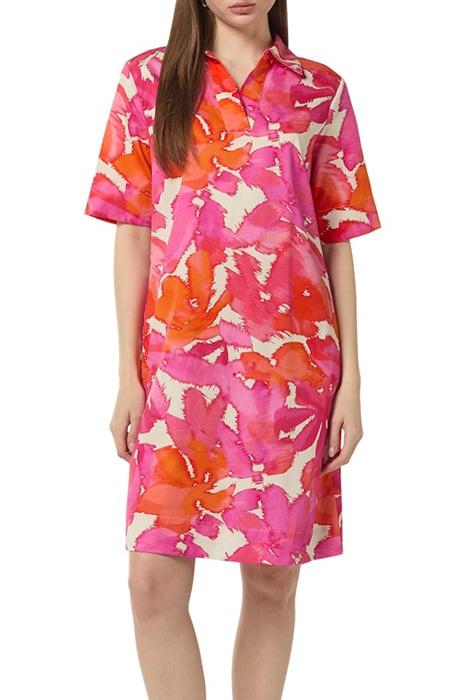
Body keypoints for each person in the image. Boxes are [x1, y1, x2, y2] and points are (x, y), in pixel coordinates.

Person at [84, 1, 382, 697]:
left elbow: (336, 240)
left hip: (290, 372)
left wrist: (352, 385)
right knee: (151, 582)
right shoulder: (147, 81)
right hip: (176, 368)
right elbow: (132, 232)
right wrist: (127, 376)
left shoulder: (319, 90)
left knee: (273, 580)